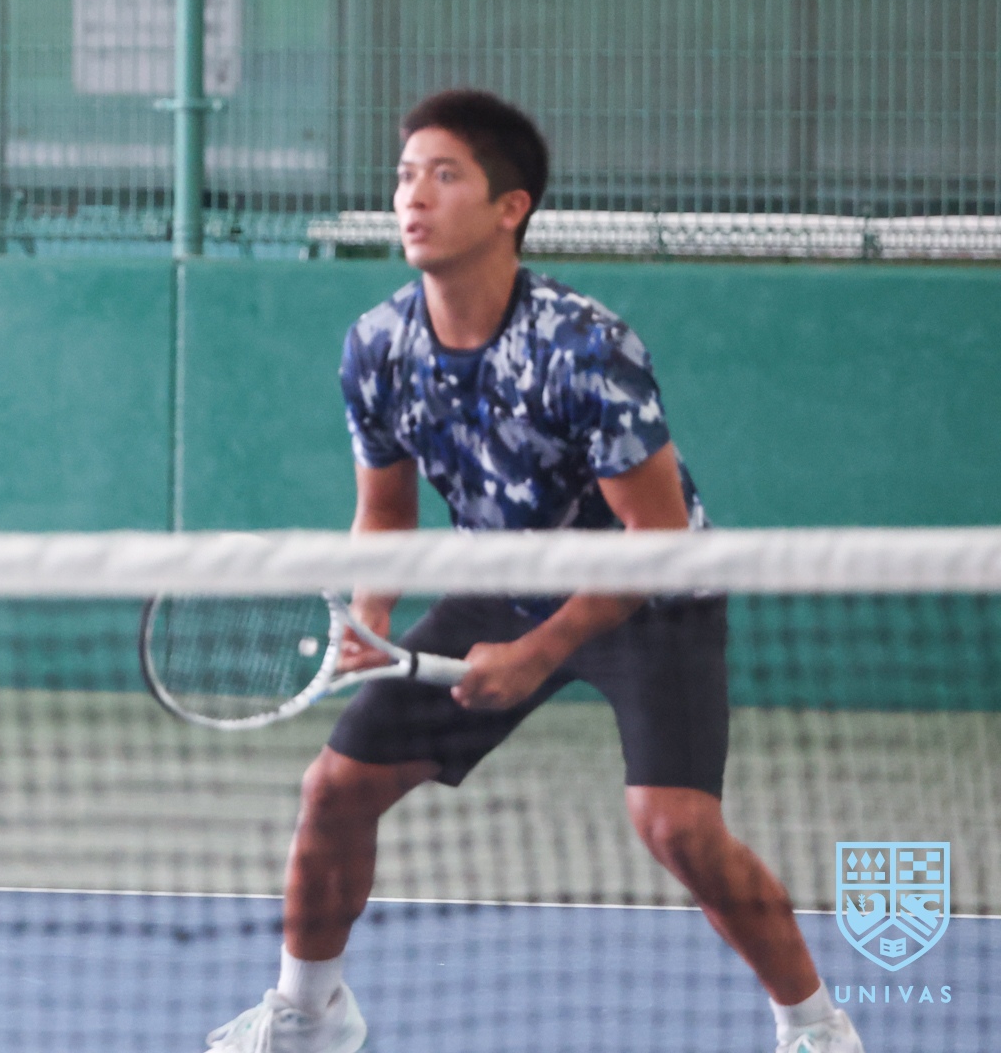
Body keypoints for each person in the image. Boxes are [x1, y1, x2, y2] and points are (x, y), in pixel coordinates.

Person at [206, 90, 860, 1053]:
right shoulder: (379, 348)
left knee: (675, 826)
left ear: (510, 207)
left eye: (444, 175)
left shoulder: (584, 347)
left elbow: (658, 536)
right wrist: (371, 618)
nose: (412, 196)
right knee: (334, 788)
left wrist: (536, 653)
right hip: (506, 576)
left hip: (651, 591)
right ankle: (310, 1013)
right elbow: (385, 514)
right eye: (404, 175)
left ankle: (815, 1026)